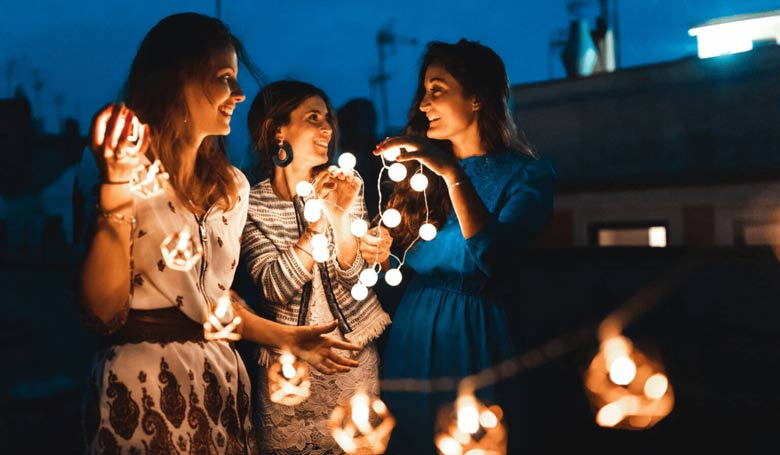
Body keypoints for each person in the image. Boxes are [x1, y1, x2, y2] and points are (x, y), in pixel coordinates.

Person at [76, 13, 360, 454]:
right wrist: (115, 191)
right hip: (140, 382)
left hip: (218, 384)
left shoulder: (232, 187)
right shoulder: (122, 166)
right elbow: (101, 313)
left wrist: (285, 337)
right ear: (175, 80)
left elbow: (211, 298)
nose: (240, 94)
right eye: (224, 78)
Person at [374, 39, 556, 454]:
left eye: (437, 89)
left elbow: (494, 257)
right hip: (413, 330)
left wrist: (451, 171)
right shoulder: (419, 177)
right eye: (423, 91)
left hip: (476, 332)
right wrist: (378, 250)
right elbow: (397, 265)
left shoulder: (526, 177)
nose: (423, 103)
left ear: (477, 98)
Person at [241, 80, 392, 454]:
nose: (327, 128)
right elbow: (274, 287)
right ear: (278, 130)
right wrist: (318, 224)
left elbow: (354, 278)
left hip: (350, 357)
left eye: (328, 119)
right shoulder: (250, 202)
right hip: (289, 366)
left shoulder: (347, 184)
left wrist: (344, 220)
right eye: (313, 118)